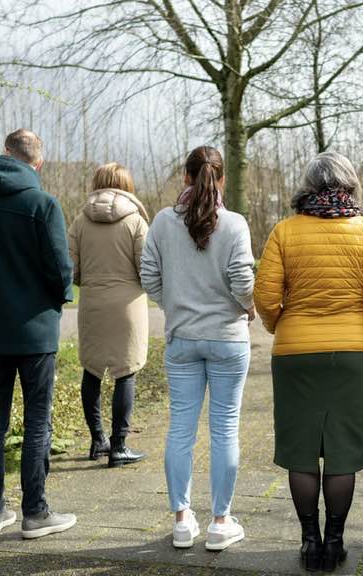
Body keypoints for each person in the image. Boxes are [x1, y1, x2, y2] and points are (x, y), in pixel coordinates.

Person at [254, 151, 363, 572]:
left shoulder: (284, 232)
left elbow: (264, 298)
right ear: (350, 184)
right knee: (342, 451)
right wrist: (360, 325)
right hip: (352, 354)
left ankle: (309, 542)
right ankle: (334, 542)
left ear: (308, 185)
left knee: (301, 449)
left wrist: (282, 325)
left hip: (294, 353)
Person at [0, 128, 77, 540]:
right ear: (36, 163)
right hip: (36, 331)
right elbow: (60, 270)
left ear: (4, 153)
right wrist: (55, 299)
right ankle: (35, 514)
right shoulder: (43, 204)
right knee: (37, 421)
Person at [140, 146, 255, 552]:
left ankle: (182, 520)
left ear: (185, 177)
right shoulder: (235, 225)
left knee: (181, 430)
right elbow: (242, 280)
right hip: (227, 338)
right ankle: (221, 523)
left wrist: (172, 305)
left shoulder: (162, 222)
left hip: (182, 337)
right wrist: (247, 307)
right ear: (220, 179)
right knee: (224, 429)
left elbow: (148, 274)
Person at [68, 162, 148, 467]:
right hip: (128, 305)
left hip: (91, 302)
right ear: (126, 186)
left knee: (92, 370)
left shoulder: (79, 222)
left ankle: (97, 440)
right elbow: (147, 270)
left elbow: (71, 270)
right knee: (126, 370)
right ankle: (119, 445)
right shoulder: (137, 223)